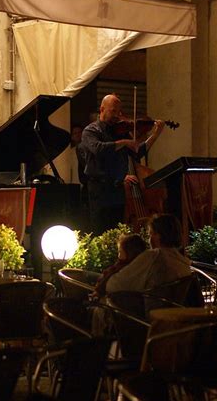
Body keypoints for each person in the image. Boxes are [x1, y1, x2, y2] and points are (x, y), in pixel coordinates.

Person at [81, 93, 165, 235]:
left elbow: (137, 152)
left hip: (118, 190)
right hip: (99, 189)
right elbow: (98, 149)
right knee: (100, 231)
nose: (117, 115)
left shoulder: (121, 132)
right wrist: (124, 142)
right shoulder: (91, 130)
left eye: (118, 112)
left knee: (117, 231)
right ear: (102, 109)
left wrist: (155, 134)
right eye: (113, 111)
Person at [104, 214, 191, 296]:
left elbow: (114, 285)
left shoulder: (154, 257)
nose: (149, 239)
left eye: (151, 234)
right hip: (174, 310)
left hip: (143, 310)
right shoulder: (183, 262)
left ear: (158, 235)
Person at [94, 233, 147, 298]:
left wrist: (97, 291)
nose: (118, 255)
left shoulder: (123, 266)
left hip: (105, 293)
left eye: (120, 251)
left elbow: (106, 280)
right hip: (104, 284)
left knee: (82, 275)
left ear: (129, 252)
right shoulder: (139, 263)